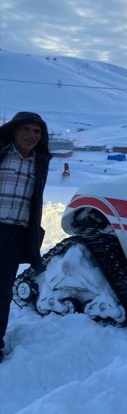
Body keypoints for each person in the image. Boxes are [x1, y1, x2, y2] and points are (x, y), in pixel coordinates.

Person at [0, 112, 51, 362]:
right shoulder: (1, 153)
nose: (32, 136)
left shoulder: (39, 162)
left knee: (2, 293)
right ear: (14, 131)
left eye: (37, 132)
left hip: (15, 235)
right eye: (27, 130)